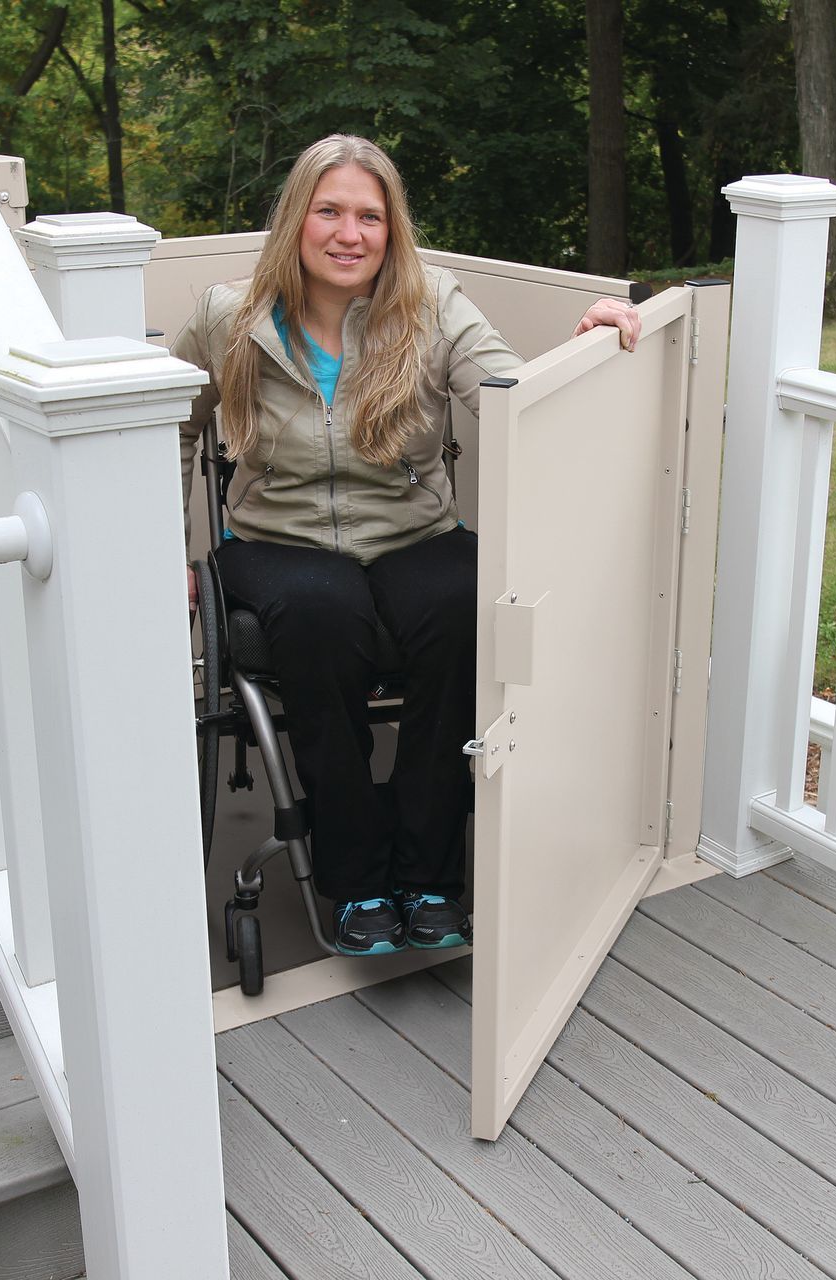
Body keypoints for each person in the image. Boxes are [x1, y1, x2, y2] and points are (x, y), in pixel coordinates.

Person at [172, 134, 641, 956]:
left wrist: (588, 341)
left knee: (465, 603)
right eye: (330, 212)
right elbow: (165, 429)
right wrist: (160, 552)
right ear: (296, 219)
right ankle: (355, 881)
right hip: (276, 538)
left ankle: (428, 874)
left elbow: (514, 393)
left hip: (411, 530)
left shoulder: (433, 308)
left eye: (369, 216)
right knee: (323, 614)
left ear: (392, 230)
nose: (349, 233)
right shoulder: (228, 318)